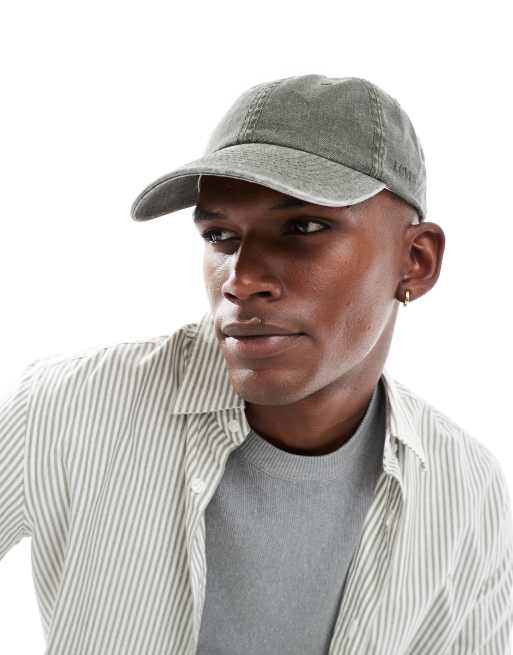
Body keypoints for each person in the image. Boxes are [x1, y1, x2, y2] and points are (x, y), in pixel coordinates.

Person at [1, 74, 512, 654]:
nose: (241, 281)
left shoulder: (465, 490)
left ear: (416, 260)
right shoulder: (69, 408)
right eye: (220, 235)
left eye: (303, 227)